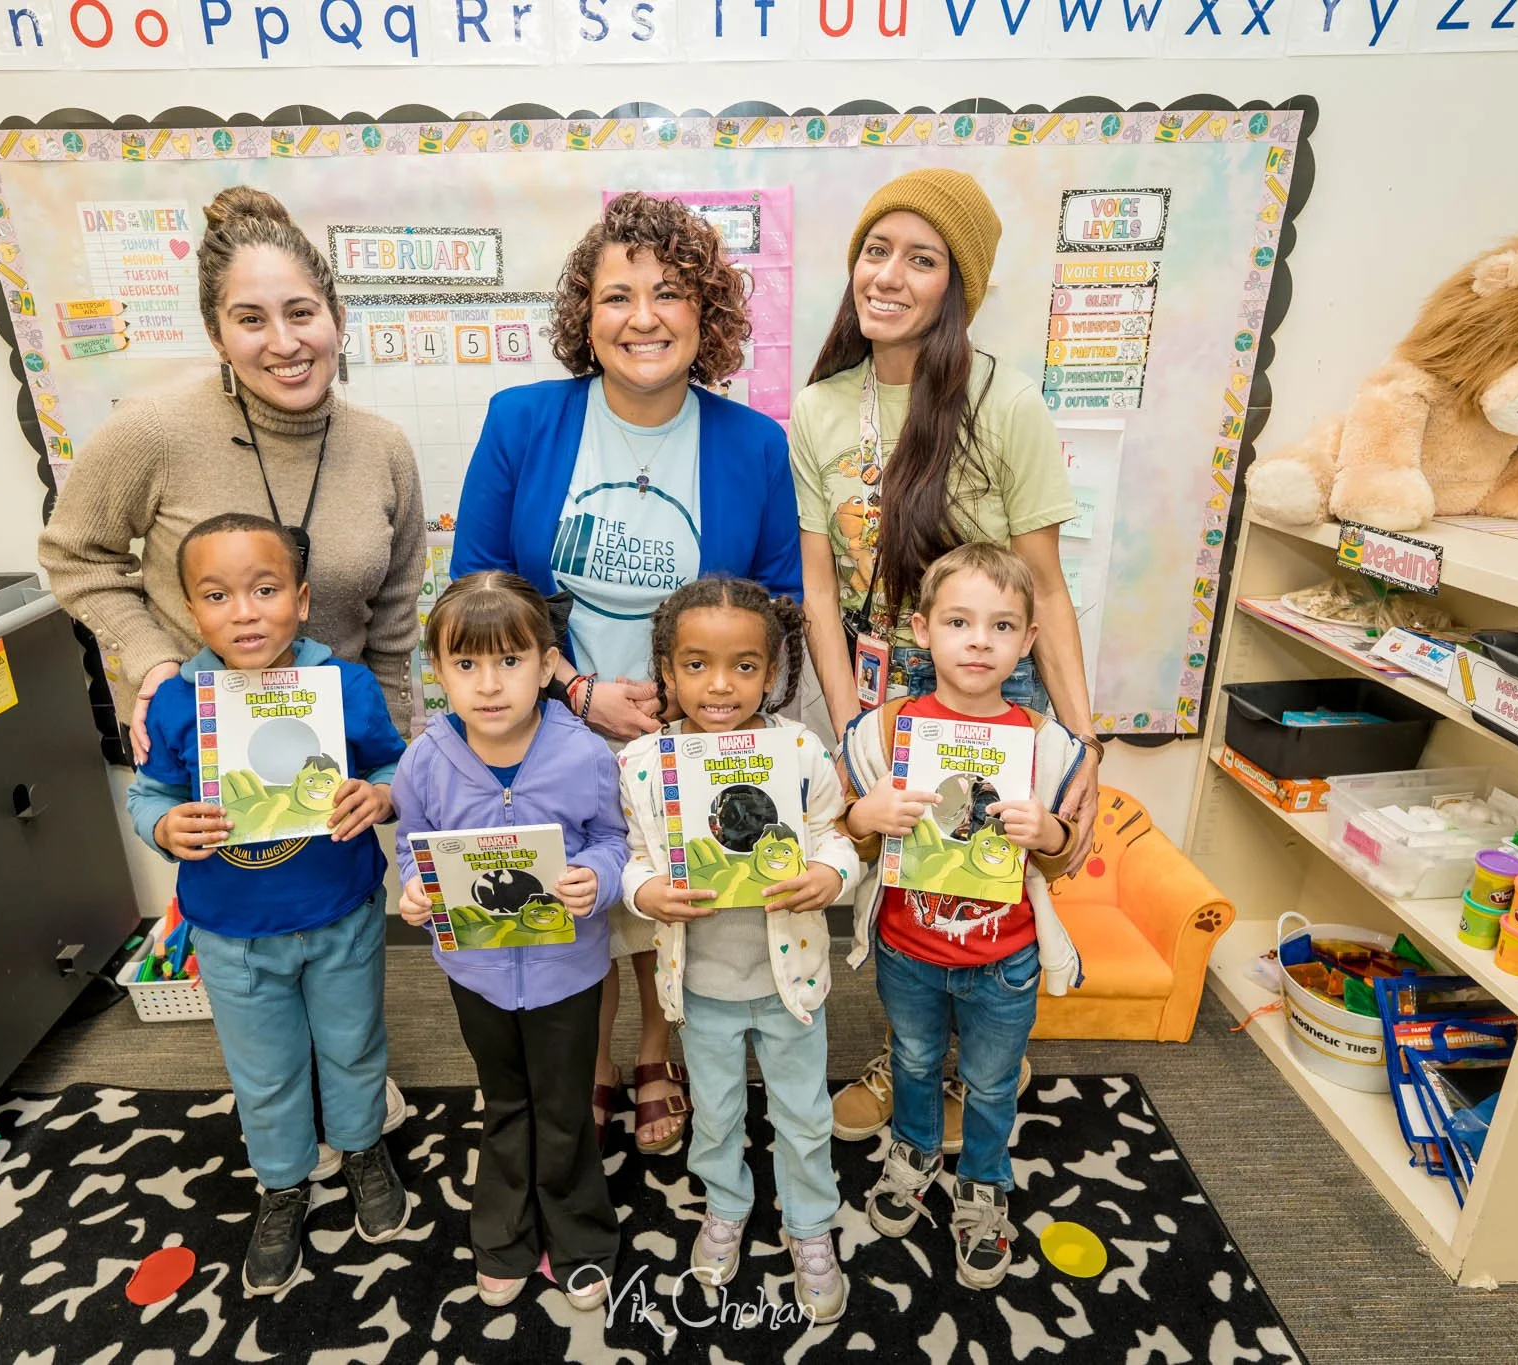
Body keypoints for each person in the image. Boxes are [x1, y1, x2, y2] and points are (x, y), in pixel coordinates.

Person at [39, 185, 422, 1140]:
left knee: (343, 974)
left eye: (301, 313)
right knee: (255, 989)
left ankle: (359, 1111)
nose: (283, 341)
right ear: (216, 331)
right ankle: (285, 1146)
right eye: (251, 320)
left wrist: (399, 778)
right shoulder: (152, 432)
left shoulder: (382, 450)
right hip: (214, 754)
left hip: (329, 772)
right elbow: (72, 554)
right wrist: (154, 660)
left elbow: (392, 630)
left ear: (336, 315)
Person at [453, 191, 803, 1156]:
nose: (642, 316)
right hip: (549, 719)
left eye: (668, 293)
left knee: (661, 893)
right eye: (616, 296)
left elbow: (777, 601)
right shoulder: (521, 419)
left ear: (707, 315)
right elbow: (477, 587)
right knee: (578, 892)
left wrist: (706, 708)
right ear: (586, 317)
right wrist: (576, 690)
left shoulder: (755, 444)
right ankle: (594, 1055)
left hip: (691, 733)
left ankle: (655, 1048)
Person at [789, 169, 1103, 1141]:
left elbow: (1043, 589)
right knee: (902, 893)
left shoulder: (1004, 403)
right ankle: (910, 1059)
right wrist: (847, 726)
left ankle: (981, 1072)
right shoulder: (817, 409)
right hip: (880, 689)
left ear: (952, 286)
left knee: (990, 884)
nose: (888, 276)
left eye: (920, 260)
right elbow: (818, 594)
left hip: (986, 682)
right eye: (875, 252)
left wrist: (1084, 743)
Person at [126, 514, 410, 1296]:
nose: (244, 611)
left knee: (353, 1042)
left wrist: (380, 794)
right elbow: (148, 793)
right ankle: (283, 1180)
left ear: (303, 596)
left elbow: (395, 763)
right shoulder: (178, 702)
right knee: (265, 1068)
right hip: (231, 932)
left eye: (265, 589)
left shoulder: (343, 685)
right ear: (190, 610)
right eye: (217, 595)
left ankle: (360, 1145)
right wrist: (163, 823)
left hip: (341, 910)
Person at [838, 542, 1087, 1291]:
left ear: (1028, 641)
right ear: (922, 629)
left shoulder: (1045, 744)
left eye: (1003, 625)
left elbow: (1068, 854)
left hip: (1003, 958)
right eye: (959, 621)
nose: (980, 640)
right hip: (907, 948)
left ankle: (983, 1183)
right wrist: (865, 813)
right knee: (912, 1058)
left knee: (990, 1078)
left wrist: (1048, 834)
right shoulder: (883, 731)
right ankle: (913, 1149)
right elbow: (839, 831)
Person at [618, 577, 858, 1322]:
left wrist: (829, 875)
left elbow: (838, 838)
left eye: (744, 666)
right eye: (696, 665)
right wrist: (644, 893)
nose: (720, 684)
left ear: (773, 671)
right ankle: (726, 1203)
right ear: (666, 670)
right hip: (700, 989)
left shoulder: (798, 750)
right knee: (717, 1113)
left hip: (790, 983)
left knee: (803, 1111)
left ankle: (810, 1221)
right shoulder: (642, 764)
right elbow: (634, 855)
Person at [391, 572, 627, 1311]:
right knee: (503, 1100)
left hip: (567, 973)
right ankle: (503, 1231)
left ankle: (581, 1233)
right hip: (478, 975)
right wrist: (414, 891)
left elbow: (614, 838)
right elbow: (409, 845)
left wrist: (597, 874)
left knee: (562, 1104)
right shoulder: (424, 760)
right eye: (466, 665)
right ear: (439, 673)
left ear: (546, 663)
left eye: (510, 662)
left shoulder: (583, 752)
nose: (489, 685)